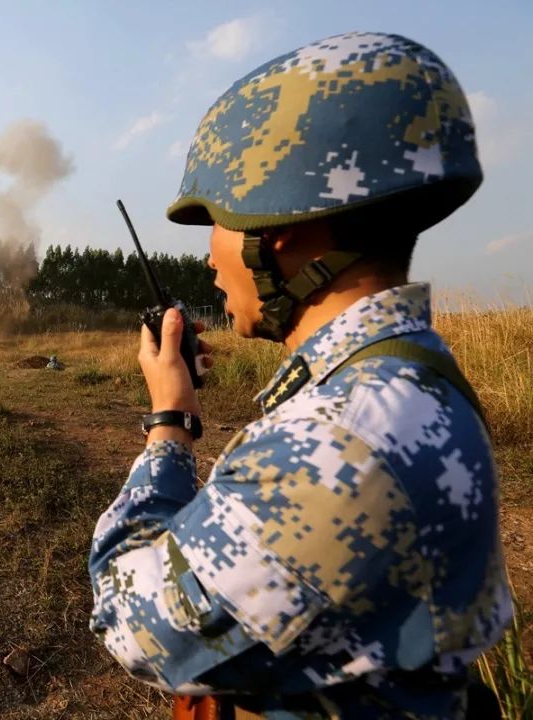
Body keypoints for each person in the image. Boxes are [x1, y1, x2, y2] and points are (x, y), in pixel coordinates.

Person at [88, 31, 512, 718]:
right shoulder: (406, 382)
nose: (209, 258)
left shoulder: (342, 439)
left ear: (276, 227)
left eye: (219, 221)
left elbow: (132, 624)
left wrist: (168, 423)